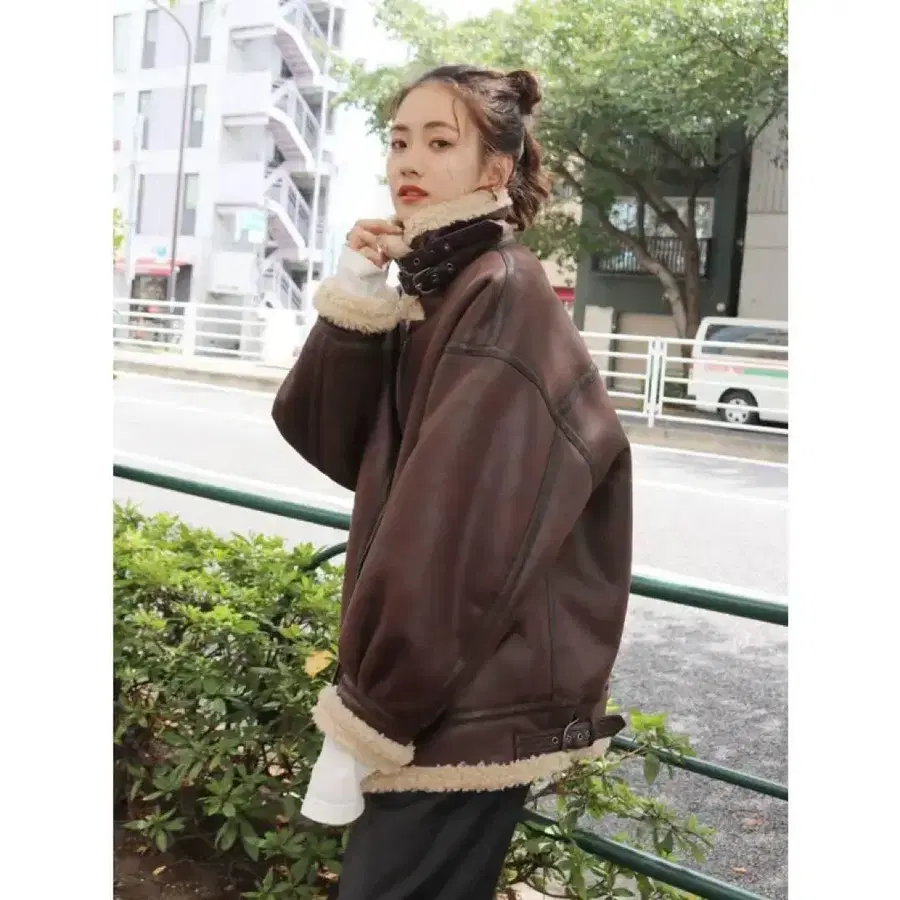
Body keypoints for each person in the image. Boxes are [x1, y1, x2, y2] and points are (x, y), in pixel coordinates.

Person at [272, 64, 633, 900]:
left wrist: (373, 710)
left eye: (440, 142)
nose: (410, 159)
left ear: (494, 169)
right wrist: (358, 291)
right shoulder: (445, 282)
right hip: (454, 681)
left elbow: (453, 536)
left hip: (461, 691)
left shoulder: (500, 290)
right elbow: (336, 439)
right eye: (400, 140)